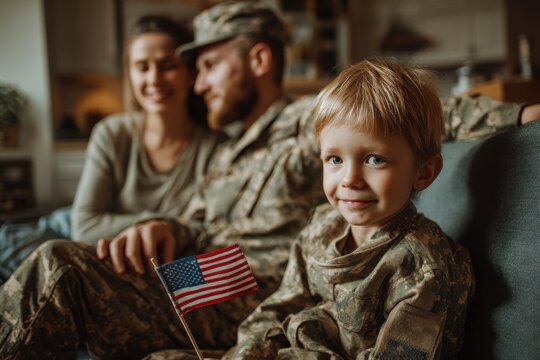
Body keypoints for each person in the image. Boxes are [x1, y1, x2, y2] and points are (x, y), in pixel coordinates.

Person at [0, 1, 535, 359]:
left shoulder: (307, 122)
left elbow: (405, 120)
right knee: (35, 242)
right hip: (196, 272)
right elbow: (201, 217)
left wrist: (520, 116)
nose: (198, 82)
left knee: (57, 266)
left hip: (241, 288)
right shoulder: (230, 147)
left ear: (257, 59)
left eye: (208, 65)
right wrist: (170, 225)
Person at [225, 59, 474, 360]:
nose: (350, 179)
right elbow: (282, 306)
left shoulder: (420, 268)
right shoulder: (322, 228)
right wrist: (248, 352)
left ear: (423, 172)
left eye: (374, 160)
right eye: (335, 160)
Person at [0, 15, 219, 285]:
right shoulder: (112, 132)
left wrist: (166, 231)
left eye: (167, 66)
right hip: (59, 233)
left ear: (189, 74)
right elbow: (85, 226)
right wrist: (160, 225)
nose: (154, 79)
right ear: (130, 74)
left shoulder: (214, 147)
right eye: (142, 67)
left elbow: (205, 235)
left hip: (124, 260)